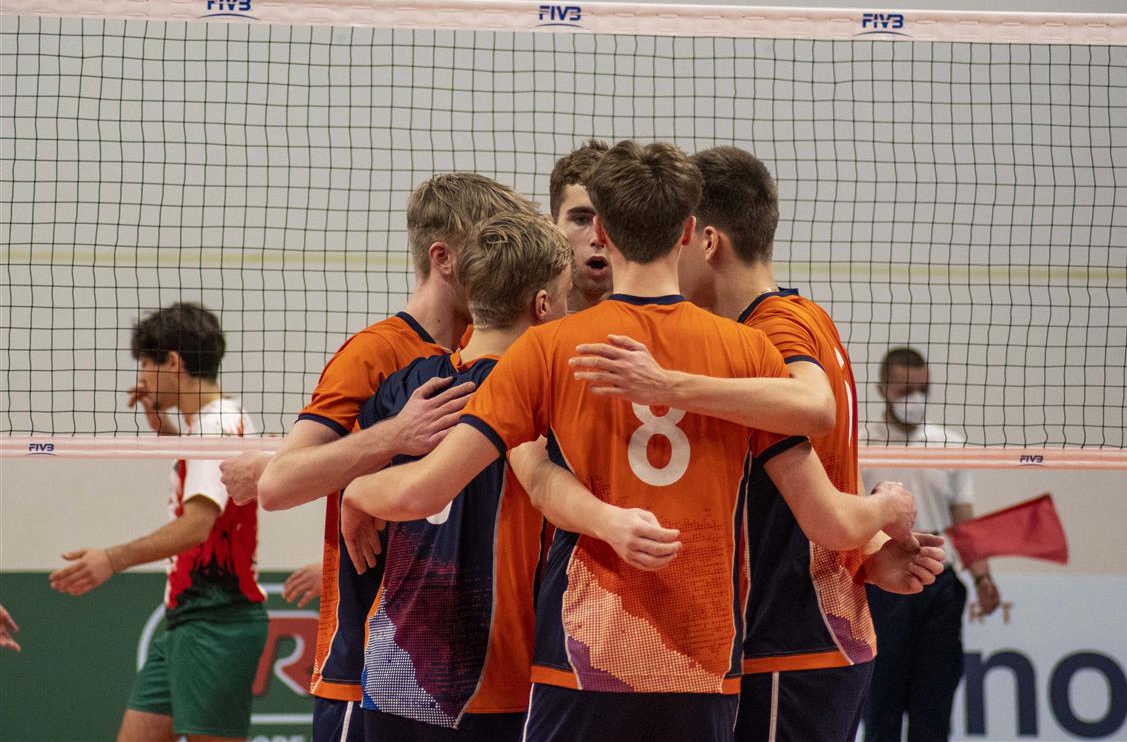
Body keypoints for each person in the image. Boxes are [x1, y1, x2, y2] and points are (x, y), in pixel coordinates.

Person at [342, 141, 921, 742]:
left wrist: (358, 492)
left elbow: (423, 491)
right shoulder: (748, 352)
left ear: (603, 234)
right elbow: (828, 520)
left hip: (582, 658)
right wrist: (888, 506)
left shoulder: (548, 348)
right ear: (688, 232)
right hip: (702, 666)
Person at [567, 145, 944, 741]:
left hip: (790, 640)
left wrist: (666, 386)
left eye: (678, 240)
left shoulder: (772, 329)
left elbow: (813, 407)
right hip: (806, 635)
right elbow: (820, 471)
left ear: (707, 242)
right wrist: (870, 545)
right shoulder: (800, 317)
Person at [219, 173, 534, 742]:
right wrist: (394, 435)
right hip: (368, 668)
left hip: (471, 667)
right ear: (443, 258)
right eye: (484, 245)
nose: (498, 260)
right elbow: (280, 484)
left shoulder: (495, 355)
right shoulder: (376, 351)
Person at [354, 211, 572, 741]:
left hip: (393, 671)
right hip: (496, 677)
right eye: (567, 297)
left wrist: (353, 496)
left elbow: (362, 471)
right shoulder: (536, 395)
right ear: (543, 305)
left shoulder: (404, 385)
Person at [51, 302, 264, 742]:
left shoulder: (216, 426)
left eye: (146, 364)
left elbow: (196, 526)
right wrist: (166, 429)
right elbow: (210, 484)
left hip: (217, 623)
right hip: (189, 618)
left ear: (173, 362)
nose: (142, 377)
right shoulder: (212, 423)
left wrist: (111, 559)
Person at [861, 347, 1002, 742]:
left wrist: (983, 577)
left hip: (939, 586)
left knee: (934, 712)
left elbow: (964, 520)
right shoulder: (860, 444)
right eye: (905, 390)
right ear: (882, 389)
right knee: (881, 710)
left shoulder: (950, 444)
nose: (915, 398)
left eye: (922, 389)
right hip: (882, 587)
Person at [549, 139, 612, 313]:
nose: (597, 238)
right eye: (581, 220)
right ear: (552, 228)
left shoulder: (654, 321)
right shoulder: (525, 323)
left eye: (610, 221)